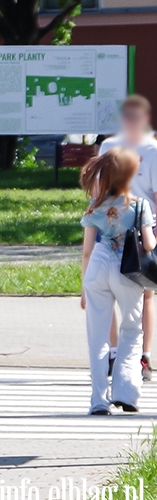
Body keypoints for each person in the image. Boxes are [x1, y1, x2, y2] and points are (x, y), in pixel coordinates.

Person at [80, 147, 155, 415]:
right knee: (132, 330)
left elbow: (87, 250)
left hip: (97, 267)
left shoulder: (95, 206)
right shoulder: (140, 205)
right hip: (127, 269)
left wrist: (83, 290)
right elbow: (148, 244)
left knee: (98, 336)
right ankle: (126, 394)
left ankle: (98, 400)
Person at [98, 94, 157, 380]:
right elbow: (99, 190)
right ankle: (114, 353)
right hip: (111, 228)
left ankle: (143, 357)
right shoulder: (109, 146)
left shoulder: (152, 149)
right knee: (109, 292)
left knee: (146, 293)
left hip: (144, 227)